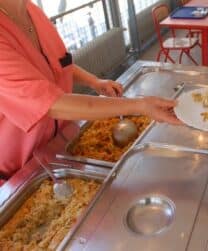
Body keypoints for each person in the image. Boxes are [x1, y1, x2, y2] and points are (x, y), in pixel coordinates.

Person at [0, 0, 180, 184]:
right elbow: (49, 104)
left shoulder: (32, 11)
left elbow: (60, 64)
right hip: (17, 172)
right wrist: (139, 106)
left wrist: (94, 81)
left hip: (61, 145)